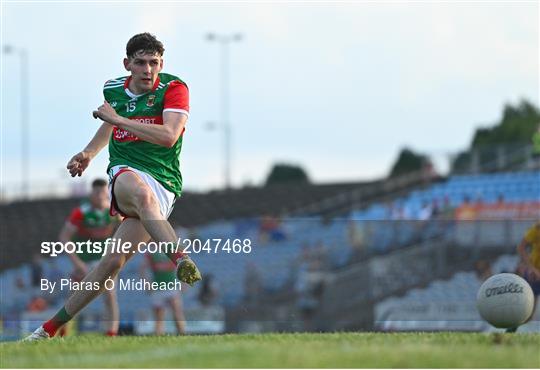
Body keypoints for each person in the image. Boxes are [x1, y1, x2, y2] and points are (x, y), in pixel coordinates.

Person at [25, 33, 201, 341]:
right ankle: (181, 260)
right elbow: (109, 124)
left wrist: (118, 118)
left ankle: (46, 331)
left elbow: (169, 136)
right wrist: (89, 153)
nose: (148, 70)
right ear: (127, 64)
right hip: (125, 172)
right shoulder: (113, 89)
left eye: (154, 63)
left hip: (165, 182)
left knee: (111, 263)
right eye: (141, 63)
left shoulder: (174, 88)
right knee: (142, 196)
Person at [58, 178, 120, 336]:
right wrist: (77, 263)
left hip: (103, 263)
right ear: (91, 193)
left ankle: (111, 334)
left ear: (107, 192)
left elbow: (127, 226)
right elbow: (64, 238)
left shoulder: (113, 211)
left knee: (110, 296)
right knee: (74, 299)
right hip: (83, 264)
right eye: (97, 192)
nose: (100, 195)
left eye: (102, 191)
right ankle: (62, 331)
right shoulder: (81, 212)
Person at [140, 252, 186, 335]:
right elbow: (142, 268)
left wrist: (183, 282)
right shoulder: (151, 253)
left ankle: (182, 334)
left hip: (172, 287)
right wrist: (146, 283)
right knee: (159, 317)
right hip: (158, 289)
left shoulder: (173, 251)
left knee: (177, 312)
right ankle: (159, 336)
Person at [507, 221, 540, 333]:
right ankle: (509, 333)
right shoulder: (536, 230)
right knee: (527, 314)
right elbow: (521, 247)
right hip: (535, 274)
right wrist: (531, 268)